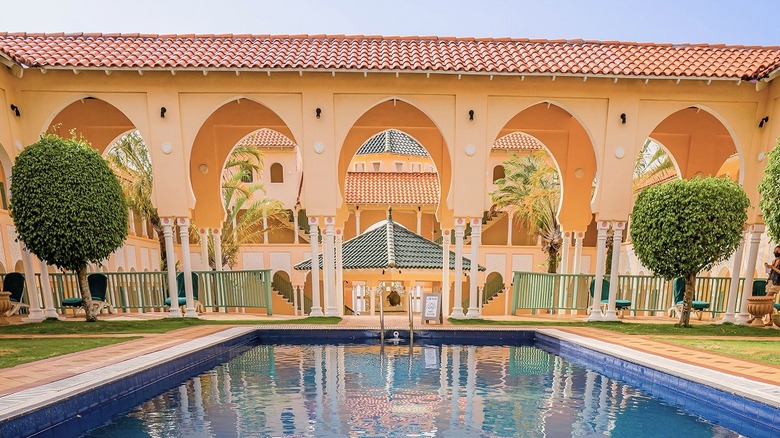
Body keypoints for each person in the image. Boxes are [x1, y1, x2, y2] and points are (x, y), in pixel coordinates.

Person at [762, 245, 780, 326]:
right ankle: (771, 320)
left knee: (767, 299)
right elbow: (771, 272)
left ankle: (757, 316)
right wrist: (768, 268)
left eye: (777, 251)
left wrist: (772, 267)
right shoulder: (774, 260)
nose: (775, 252)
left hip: (777, 283)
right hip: (770, 281)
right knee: (769, 301)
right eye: (775, 251)